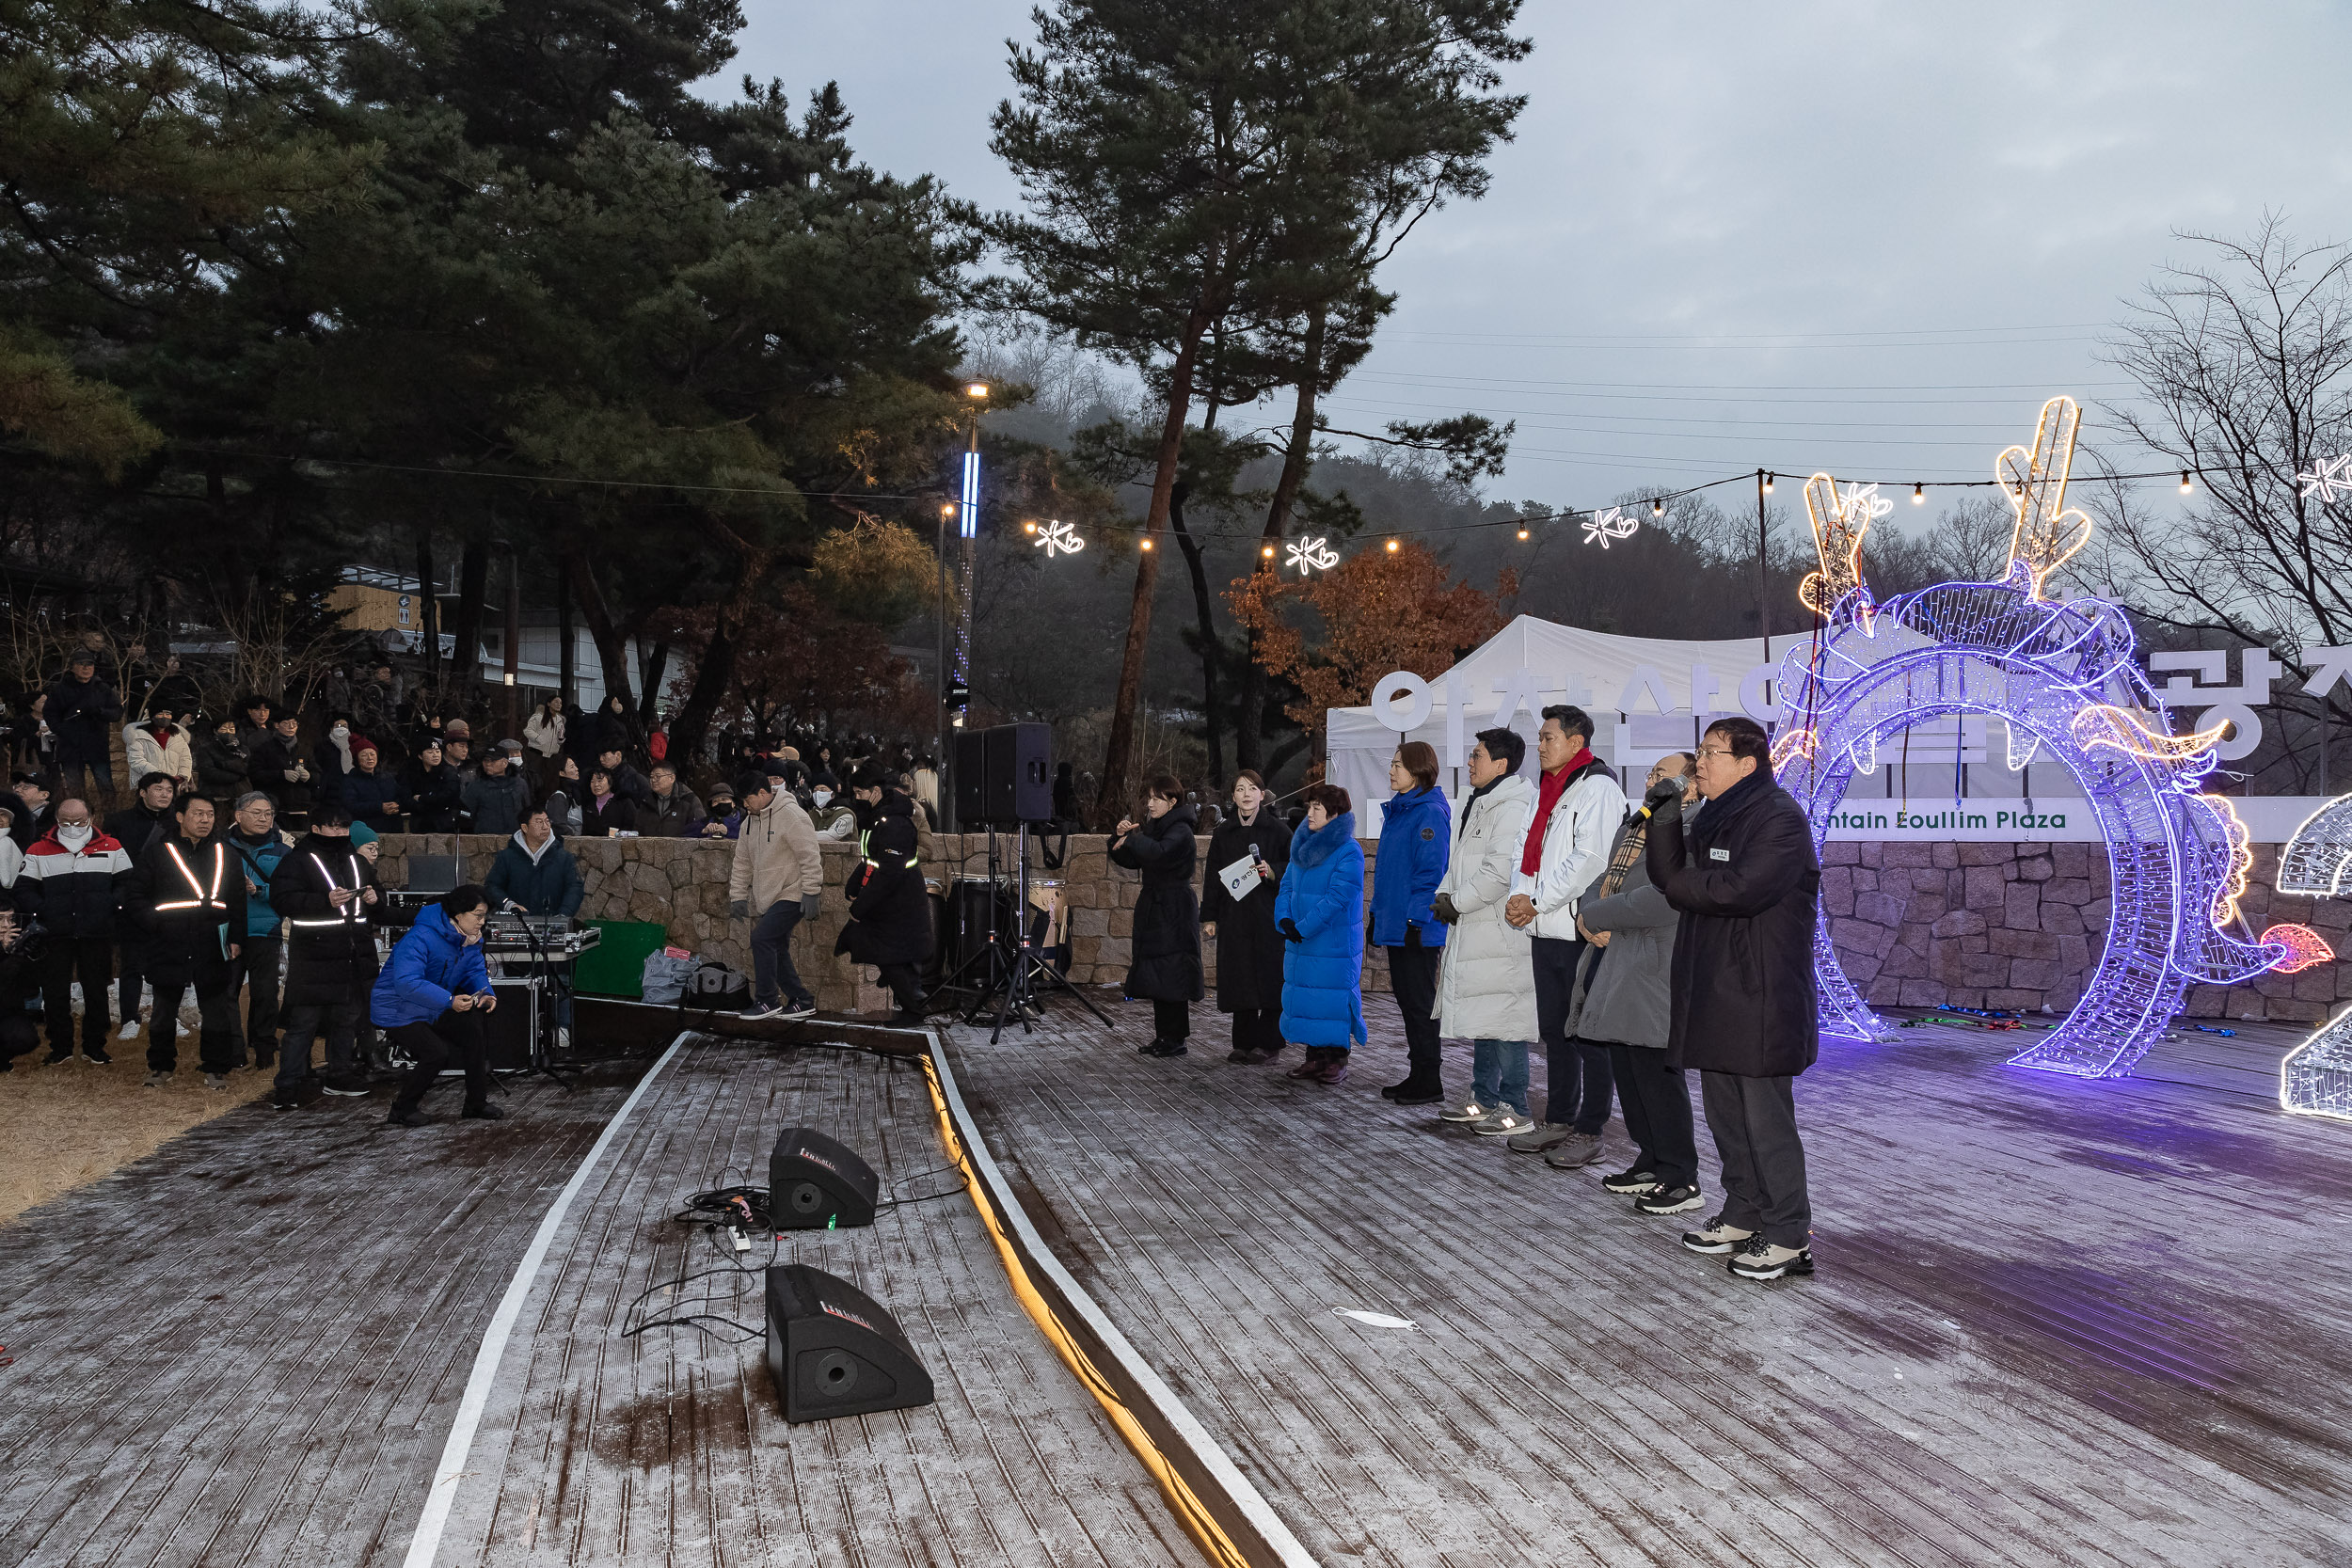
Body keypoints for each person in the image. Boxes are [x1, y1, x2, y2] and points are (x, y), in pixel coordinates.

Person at [1648, 717, 1820, 1281]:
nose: (1701, 762)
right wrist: (1668, 811)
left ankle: (1789, 1232)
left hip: (1760, 993)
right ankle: (1744, 1212)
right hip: (1718, 988)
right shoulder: (1717, 815)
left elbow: (1738, 890)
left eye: (1713, 753)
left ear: (1748, 764)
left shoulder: (1778, 818)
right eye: (1700, 751)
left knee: (1764, 1120)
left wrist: (1687, 887)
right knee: (1726, 1115)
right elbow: (1668, 875)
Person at [1548, 752, 1706, 1210]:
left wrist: (1595, 913)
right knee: (1628, 1066)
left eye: (1663, 776)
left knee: (1656, 1072)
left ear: (1689, 787)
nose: (1652, 782)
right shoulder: (1636, 824)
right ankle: (1650, 1159)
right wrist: (1584, 911)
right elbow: (1607, 878)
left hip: (1654, 964)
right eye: (1651, 774)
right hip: (1619, 958)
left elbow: (1664, 896)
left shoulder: (1694, 828)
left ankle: (1680, 1174)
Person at [1505, 705, 1628, 1170]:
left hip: (1579, 929)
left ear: (1576, 743)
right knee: (1556, 1032)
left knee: (1588, 1034)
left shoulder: (1597, 788)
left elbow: (1590, 860)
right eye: (1539, 737)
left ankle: (1591, 1128)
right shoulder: (1548, 789)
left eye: (1548, 737)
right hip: (1544, 927)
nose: (1539, 745)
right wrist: (1521, 895)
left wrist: (1536, 901)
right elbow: (1524, 847)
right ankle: (1557, 1119)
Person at [1430, 727, 1540, 1127]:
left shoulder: (1512, 806)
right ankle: (1483, 1097)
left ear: (1501, 764)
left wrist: (1455, 903)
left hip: (1500, 930)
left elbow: (1499, 872)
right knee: (1485, 1014)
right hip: (1477, 927)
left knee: (1507, 1019)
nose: (1470, 762)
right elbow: (1459, 861)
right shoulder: (1481, 801)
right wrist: (1446, 895)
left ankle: (1516, 1109)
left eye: (1477, 755)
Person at [128, 793, 245, 1088]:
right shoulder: (157, 852)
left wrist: (236, 937)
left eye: (209, 814)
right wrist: (154, 923)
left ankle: (216, 1067)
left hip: (211, 942)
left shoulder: (226, 852)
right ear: (180, 817)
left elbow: (237, 901)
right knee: (164, 1010)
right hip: (169, 942)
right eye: (198, 814)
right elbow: (135, 896)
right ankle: (160, 1067)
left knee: (216, 1009)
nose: (205, 820)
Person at [269, 806, 382, 1105]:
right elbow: (281, 900)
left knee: (345, 1021)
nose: (340, 833)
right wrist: (324, 901)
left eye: (344, 827)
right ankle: (287, 1086)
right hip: (313, 957)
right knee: (302, 1025)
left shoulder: (356, 861)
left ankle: (340, 1075)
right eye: (333, 827)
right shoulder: (297, 860)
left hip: (352, 955)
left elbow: (378, 897)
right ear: (316, 829)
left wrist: (375, 898)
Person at [372, 883, 501, 1127]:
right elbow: (407, 983)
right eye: (478, 915)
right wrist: (449, 1001)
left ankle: (476, 1102)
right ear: (457, 914)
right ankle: (402, 1108)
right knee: (436, 1052)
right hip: (397, 1008)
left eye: (484, 916)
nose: (482, 922)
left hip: (433, 1004)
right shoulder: (420, 937)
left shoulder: (468, 939)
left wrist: (486, 992)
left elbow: (474, 969)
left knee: (472, 1032)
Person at [18, 798, 131, 1064]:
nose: (72, 827)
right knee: (55, 991)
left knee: (96, 990)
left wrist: (110, 905)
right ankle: (60, 1047)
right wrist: (44, 909)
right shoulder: (38, 849)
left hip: (96, 932)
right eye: (66, 822)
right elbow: (23, 889)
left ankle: (95, 1046)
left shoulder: (111, 846)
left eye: (78, 821)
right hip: (55, 933)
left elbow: (126, 883)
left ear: (90, 816)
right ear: (57, 819)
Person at [1372, 741, 1451, 1100]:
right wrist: (1377, 915)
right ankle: (1418, 1073)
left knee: (1419, 1003)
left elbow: (1431, 873)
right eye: (1391, 763)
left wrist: (1417, 921)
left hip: (1416, 928)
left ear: (1418, 770)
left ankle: (1428, 1079)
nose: (1391, 770)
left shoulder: (1428, 812)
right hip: (1399, 924)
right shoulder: (1401, 811)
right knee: (1407, 1000)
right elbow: (1390, 876)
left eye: (1398, 764)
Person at [1274, 784, 1366, 1085]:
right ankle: (1314, 1058)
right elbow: (1287, 885)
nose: (1309, 813)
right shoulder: (1302, 845)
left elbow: (1338, 899)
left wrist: (1304, 927)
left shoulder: (1348, 851)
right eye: (1309, 806)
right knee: (1311, 999)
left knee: (1333, 1000)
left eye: (1317, 807)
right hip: (1302, 939)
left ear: (1335, 814)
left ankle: (1336, 1059)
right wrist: (1285, 919)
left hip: (1333, 943)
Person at [1108, 774, 1203, 1058]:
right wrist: (1119, 838)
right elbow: (1132, 858)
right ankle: (1164, 1036)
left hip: (1174, 908)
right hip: (1156, 906)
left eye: (1156, 798)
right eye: (1149, 797)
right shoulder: (1156, 827)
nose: (1149, 803)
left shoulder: (1181, 831)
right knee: (1159, 973)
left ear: (1172, 802)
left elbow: (1159, 853)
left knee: (1172, 972)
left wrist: (1134, 839)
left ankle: (1176, 1039)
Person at [1199, 770, 1290, 1064]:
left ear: (1262, 795)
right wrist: (1210, 917)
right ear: (1233, 796)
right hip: (1235, 916)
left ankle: (1271, 1043)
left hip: (1268, 916)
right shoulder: (1224, 833)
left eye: (1253, 789)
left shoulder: (1279, 831)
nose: (1246, 794)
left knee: (1270, 978)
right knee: (1241, 978)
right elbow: (1212, 876)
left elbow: (1295, 869)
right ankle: (1244, 1042)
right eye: (1240, 789)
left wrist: (1272, 870)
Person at [834, 767, 930, 1023]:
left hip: (899, 900)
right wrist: (854, 885)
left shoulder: (894, 823)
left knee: (888, 954)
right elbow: (871, 858)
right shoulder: (880, 818)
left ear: (876, 791)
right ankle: (911, 1002)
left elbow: (889, 871)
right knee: (886, 952)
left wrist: (860, 907)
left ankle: (914, 1008)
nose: (857, 798)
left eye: (860, 792)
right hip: (891, 898)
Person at [729, 772, 822, 1022]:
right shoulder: (750, 822)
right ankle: (801, 1000)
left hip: (793, 892)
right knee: (776, 947)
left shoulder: (792, 816)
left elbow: (809, 855)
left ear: (762, 793)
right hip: (769, 896)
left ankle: (767, 1000)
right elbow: (742, 862)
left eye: (747, 799)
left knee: (761, 938)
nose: (744, 805)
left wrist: (812, 892)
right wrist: (737, 896)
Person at [104, 771, 182, 1042]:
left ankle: (170, 1015)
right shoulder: (119, 821)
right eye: (158, 788)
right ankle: (129, 1018)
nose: (164, 794)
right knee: (132, 963)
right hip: (131, 900)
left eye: (169, 790)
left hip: (170, 900)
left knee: (168, 962)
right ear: (142, 791)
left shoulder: (179, 823)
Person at [224, 791, 290, 1068]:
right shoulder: (221, 848)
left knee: (265, 993)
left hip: (266, 929)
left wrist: (260, 890)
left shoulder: (283, 851)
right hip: (227, 931)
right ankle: (233, 1052)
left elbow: (289, 891)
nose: (264, 819)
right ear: (239, 816)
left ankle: (264, 1049)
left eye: (268, 814)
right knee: (227, 993)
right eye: (257, 813)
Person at [44, 651, 122, 803]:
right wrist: (63, 730)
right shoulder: (61, 689)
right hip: (70, 745)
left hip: (97, 744)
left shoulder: (102, 688)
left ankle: (109, 818)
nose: (86, 668)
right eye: (81, 664)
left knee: (105, 785)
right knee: (75, 788)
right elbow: (50, 714)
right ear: (72, 667)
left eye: (90, 664)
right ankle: (77, 819)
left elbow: (117, 712)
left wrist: (100, 712)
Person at [485, 806, 585, 919]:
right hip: (518, 922)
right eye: (539, 822)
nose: (545, 827)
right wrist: (509, 904)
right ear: (525, 828)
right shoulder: (507, 857)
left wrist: (564, 914)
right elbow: (492, 886)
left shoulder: (564, 858)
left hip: (553, 922)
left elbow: (574, 888)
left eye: (547, 821)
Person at [247, 707, 316, 832]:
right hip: (277, 806)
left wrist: (309, 776)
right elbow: (255, 774)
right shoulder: (265, 748)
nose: (291, 727)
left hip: (301, 806)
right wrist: (281, 774)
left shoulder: (305, 749)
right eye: (286, 724)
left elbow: (318, 775)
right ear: (277, 725)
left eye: (294, 724)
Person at [338, 736, 408, 834]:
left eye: (372, 754)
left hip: (394, 828)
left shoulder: (387, 777)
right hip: (367, 830)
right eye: (364, 755)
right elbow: (351, 806)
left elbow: (401, 795)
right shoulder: (350, 780)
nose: (369, 758)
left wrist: (397, 805)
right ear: (356, 758)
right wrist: (379, 807)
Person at [461, 741, 533, 837]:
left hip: (515, 840)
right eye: (485, 760)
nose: (488, 764)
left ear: (505, 763)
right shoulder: (475, 786)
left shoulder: (520, 784)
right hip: (484, 841)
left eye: (492, 761)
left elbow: (527, 812)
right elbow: (464, 814)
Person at [122, 705, 193, 792]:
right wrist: (159, 775)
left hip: (172, 787)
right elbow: (136, 760)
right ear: (153, 716)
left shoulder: (178, 736)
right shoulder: (138, 735)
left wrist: (182, 776)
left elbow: (185, 758)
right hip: (146, 785)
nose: (164, 717)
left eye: (168, 714)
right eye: (160, 714)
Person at [402, 736, 463, 832]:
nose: (435, 755)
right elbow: (406, 799)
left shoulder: (448, 772)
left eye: (438, 751)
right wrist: (426, 806)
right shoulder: (411, 774)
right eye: (430, 752)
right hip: (419, 825)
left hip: (444, 825)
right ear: (420, 756)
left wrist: (422, 798)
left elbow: (448, 796)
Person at [196, 714, 249, 811]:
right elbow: (209, 773)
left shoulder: (242, 749)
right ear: (215, 731)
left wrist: (223, 765)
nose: (228, 732)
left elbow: (247, 768)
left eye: (231, 729)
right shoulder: (206, 749)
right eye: (224, 729)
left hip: (241, 795)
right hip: (215, 796)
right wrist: (236, 776)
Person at [643, 762, 704, 837]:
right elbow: (637, 830)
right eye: (651, 777)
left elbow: (701, 828)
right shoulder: (646, 801)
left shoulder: (688, 800)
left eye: (658, 777)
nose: (653, 780)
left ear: (672, 778)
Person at [595, 742, 654, 810]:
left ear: (618, 755)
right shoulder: (600, 774)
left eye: (604, 755)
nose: (601, 759)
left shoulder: (634, 779)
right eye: (600, 756)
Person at [581, 766, 637, 836]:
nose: (596, 784)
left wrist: (610, 834)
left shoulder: (624, 803)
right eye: (592, 781)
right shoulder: (588, 806)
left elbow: (631, 830)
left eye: (600, 780)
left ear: (610, 782)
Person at [523, 696, 566, 783]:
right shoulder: (538, 717)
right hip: (536, 755)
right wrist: (539, 738)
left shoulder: (560, 721)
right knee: (534, 780)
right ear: (549, 704)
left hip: (552, 757)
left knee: (548, 781)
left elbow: (559, 739)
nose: (559, 705)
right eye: (556, 702)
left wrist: (561, 740)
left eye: (560, 703)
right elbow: (527, 731)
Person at [543, 754, 586, 836]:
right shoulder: (558, 797)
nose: (576, 769)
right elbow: (558, 826)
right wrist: (572, 835)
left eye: (575, 766)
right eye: (572, 767)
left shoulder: (572, 793)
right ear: (562, 773)